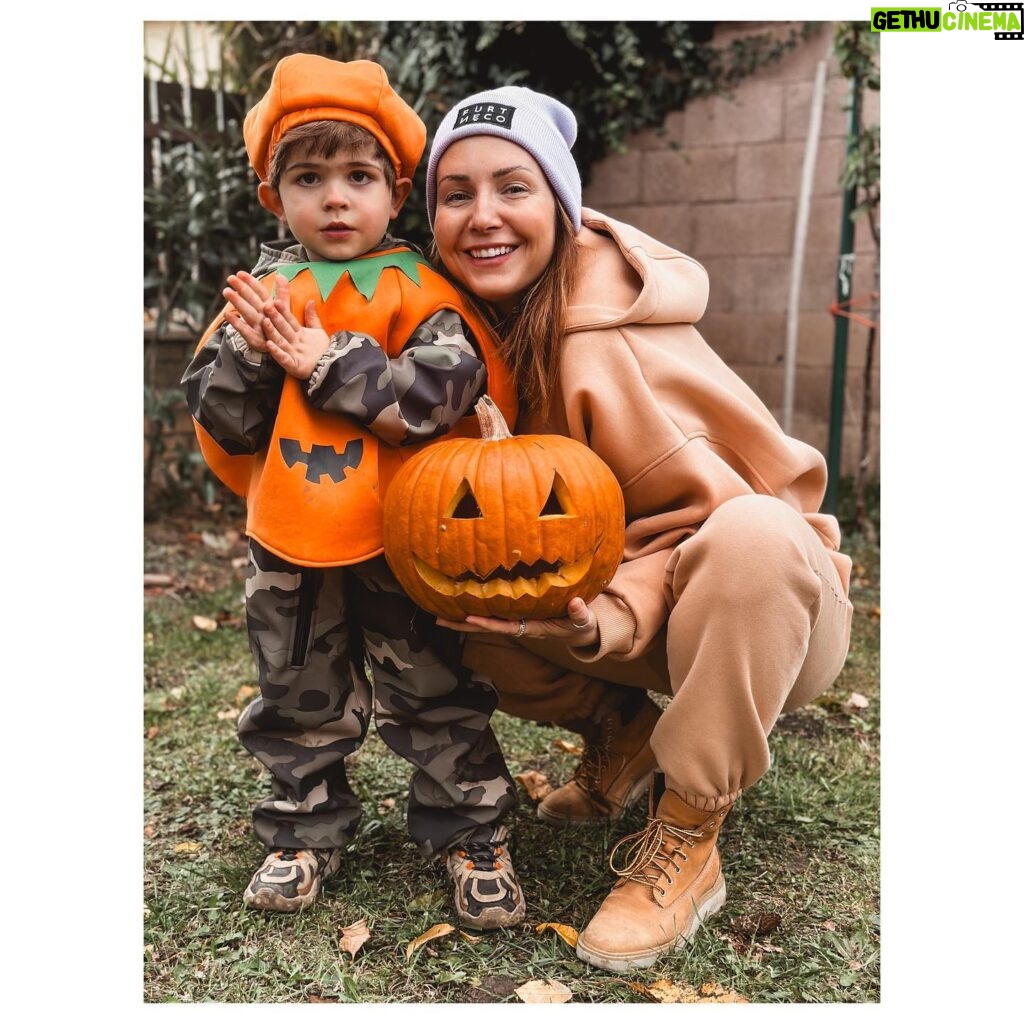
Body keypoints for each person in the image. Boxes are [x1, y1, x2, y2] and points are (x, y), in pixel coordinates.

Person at [422, 85, 854, 972]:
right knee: (457, 596)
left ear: (561, 205)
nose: (482, 216)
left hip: (768, 609)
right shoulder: (470, 331)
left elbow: (713, 526)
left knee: (755, 538)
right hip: (620, 604)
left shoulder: (599, 339)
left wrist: (606, 618)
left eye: (513, 187)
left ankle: (689, 836)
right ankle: (624, 742)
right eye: (455, 194)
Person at [181, 55, 526, 930]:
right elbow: (224, 424)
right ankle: (301, 827)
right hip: (287, 538)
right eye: (309, 178)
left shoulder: (419, 291)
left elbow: (444, 395)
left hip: (403, 535)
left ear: (395, 192)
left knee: (433, 688)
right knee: (297, 688)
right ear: (274, 196)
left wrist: (325, 360)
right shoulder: (261, 299)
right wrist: (255, 356)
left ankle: (471, 831)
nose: (336, 199)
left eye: (358, 177)